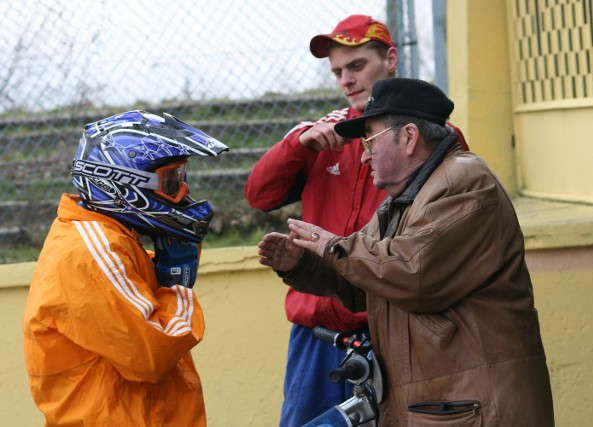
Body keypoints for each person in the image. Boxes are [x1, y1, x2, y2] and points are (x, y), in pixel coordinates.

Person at [257, 78, 555, 426]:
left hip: (474, 409)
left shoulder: (465, 182)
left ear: (410, 137)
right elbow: (366, 286)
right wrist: (304, 265)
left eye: (369, 139)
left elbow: (412, 274)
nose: (364, 154)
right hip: (447, 407)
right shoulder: (400, 201)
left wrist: (331, 246)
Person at [244, 14, 468, 425]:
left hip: (396, 335)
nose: (346, 79)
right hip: (319, 342)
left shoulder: (431, 137)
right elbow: (259, 195)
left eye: (357, 65)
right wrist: (299, 143)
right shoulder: (319, 135)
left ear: (392, 59)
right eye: (337, 72)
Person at [23, 110, 229, 426]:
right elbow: (153, 354)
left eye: (181, 179)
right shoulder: (92, 254)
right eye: (171, 182)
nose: (183, 193)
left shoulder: (111, 241)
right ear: (122, 185)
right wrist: (177, 289)